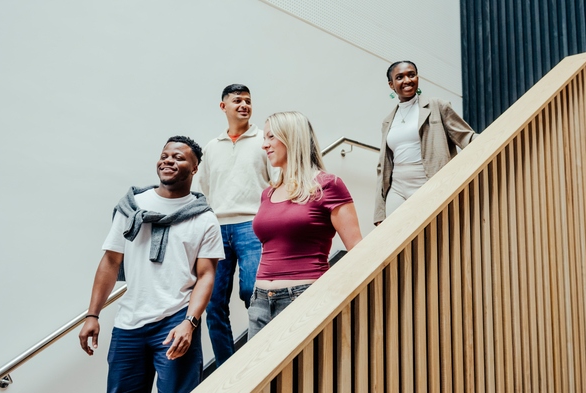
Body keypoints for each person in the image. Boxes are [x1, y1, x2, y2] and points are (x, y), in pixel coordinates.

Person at [78, 136, 225, 393]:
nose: (168, 160)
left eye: (179, 157)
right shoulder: (132, 207)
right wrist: (93, 314)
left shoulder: (205, 218)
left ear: (194, 168)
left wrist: (190, 323)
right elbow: (111, 261)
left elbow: (206, 275)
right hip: (129, 323)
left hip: (176, 320)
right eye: (165, 155)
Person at [247, 111, 363, 339]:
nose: (265, 145)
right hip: (260, 301)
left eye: (271, 137)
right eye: (264, 139)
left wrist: (330, 294)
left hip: (303, 298)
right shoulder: (267, 193)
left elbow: (358, 249)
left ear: (291, 138)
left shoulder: (328, 185)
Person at [194, 84, 276, 366]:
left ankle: (258, 359)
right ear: (223, 106)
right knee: (214, 303)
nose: (244, 105)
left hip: (252, 225)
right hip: (215, 230)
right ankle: (227, 366)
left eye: (248, 101)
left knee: (252, 292)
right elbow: (203, 189)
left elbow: (275, 182)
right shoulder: (211, 147)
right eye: (237, 100)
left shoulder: (263, 140)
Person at [374, 60, 477, 225]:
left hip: (429, 184)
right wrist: (379, 212)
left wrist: (496, 136)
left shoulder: (437, 106)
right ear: (391, 85)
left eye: (411, 75)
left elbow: (466, 137)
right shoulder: (388, 121)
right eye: (400, 77)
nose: (407, 80)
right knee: (394, 238)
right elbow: (383, 168)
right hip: (397, 189)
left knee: (432, 239)